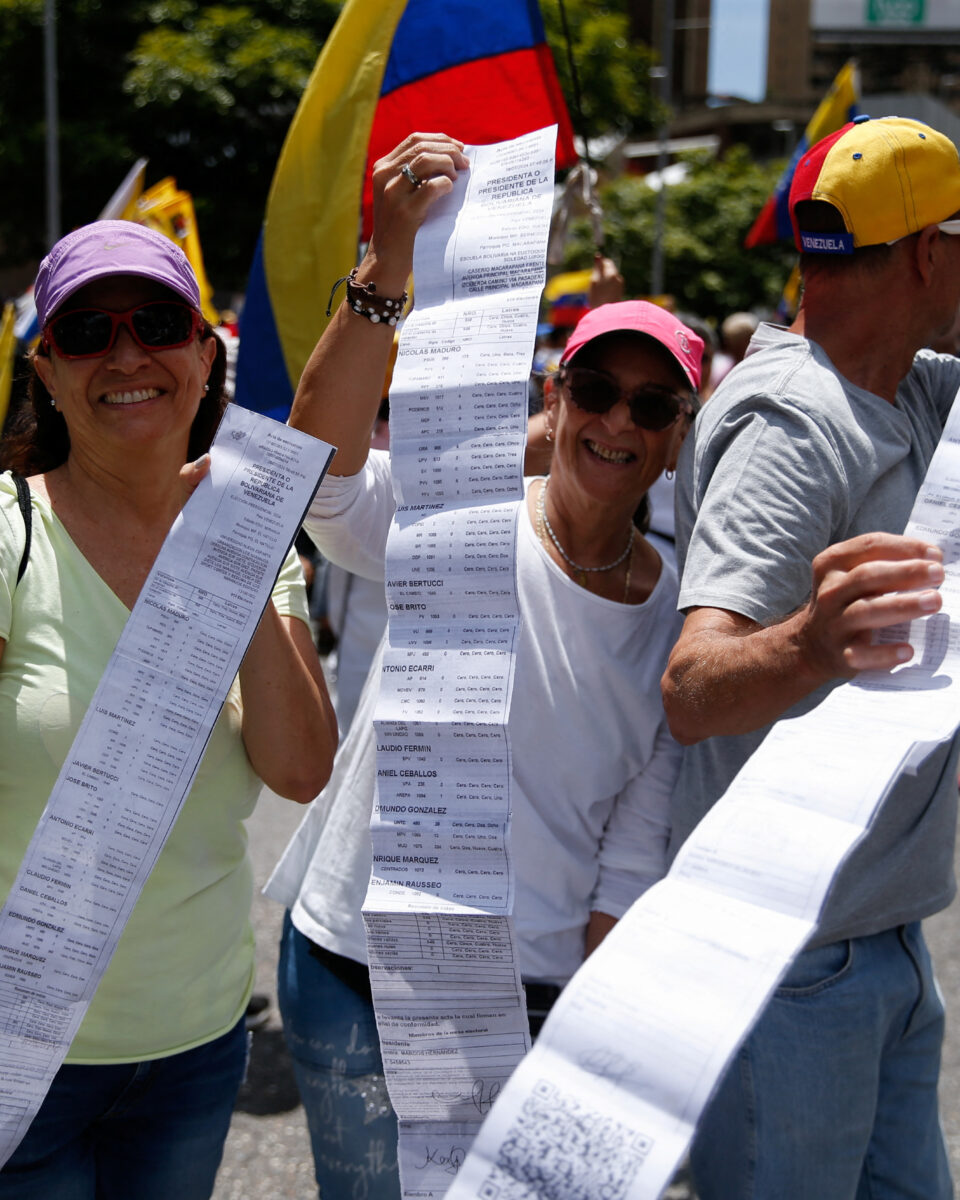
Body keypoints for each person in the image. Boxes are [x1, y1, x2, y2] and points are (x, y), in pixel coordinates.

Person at [266, 132, 702, 1200]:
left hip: (539, 996)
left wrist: (593, 1043)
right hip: (357, 969)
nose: (617, 421)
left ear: (680, 439)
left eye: (654, 407)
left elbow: (633, 852)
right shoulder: (456, 510)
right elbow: (316, 481)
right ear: (557, 394)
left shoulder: (683, 612)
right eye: (598, 389)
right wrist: (388, 264)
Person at [0, 220, 337, 1199]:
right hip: (23, 1057)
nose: (127, 354)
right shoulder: (10, 536)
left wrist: (226, 552)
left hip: (194, 1049)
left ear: (203, 353)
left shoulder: (260, 544)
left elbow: (300, 769)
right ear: (48, 372)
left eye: (155, 321)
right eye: (88, 333)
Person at [661, 115, 960, 1198]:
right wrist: (814, 641)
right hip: (785, 962)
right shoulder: (793, 424)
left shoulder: (910, 387)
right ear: (931, 252)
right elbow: (694, 690)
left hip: (872, 937)